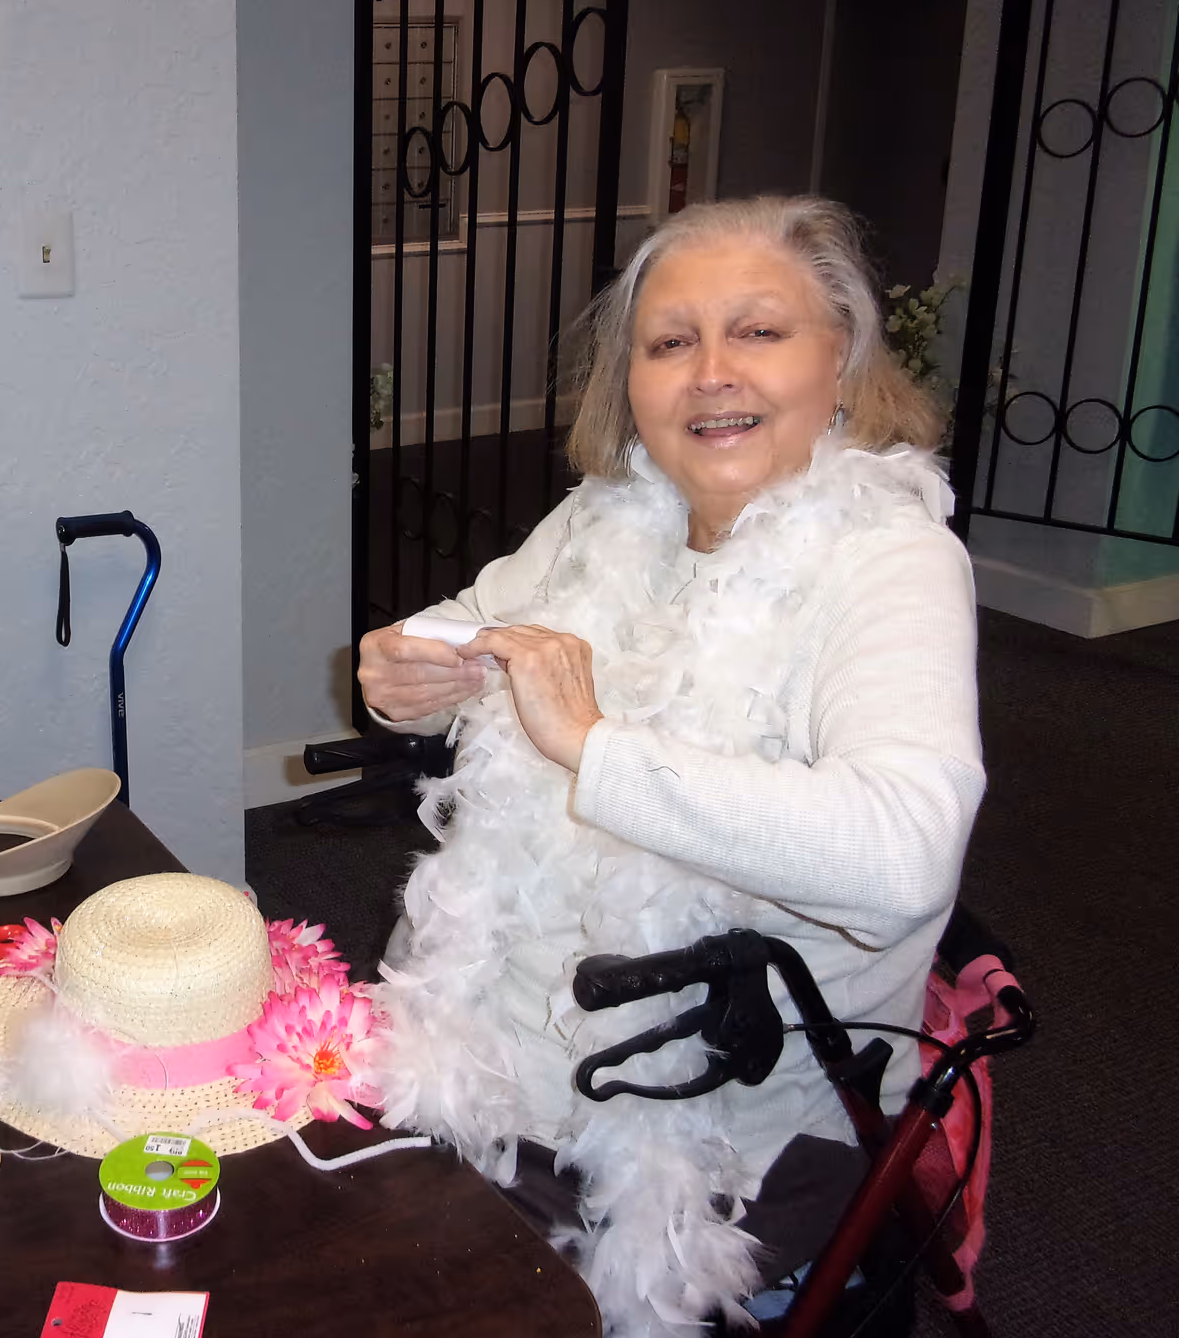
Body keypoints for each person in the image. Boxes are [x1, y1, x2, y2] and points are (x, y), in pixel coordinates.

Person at [360, 196, 982, 1334]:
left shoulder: (892, 563)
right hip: (486, 1051)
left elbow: (904, 852)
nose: (710, 373)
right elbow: (464, 625)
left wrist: (596, 747)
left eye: (758, 331)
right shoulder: (608, 519)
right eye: (669, 342)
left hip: (708, 1133)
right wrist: (402, 668)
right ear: (629, 383)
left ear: (840, 358)